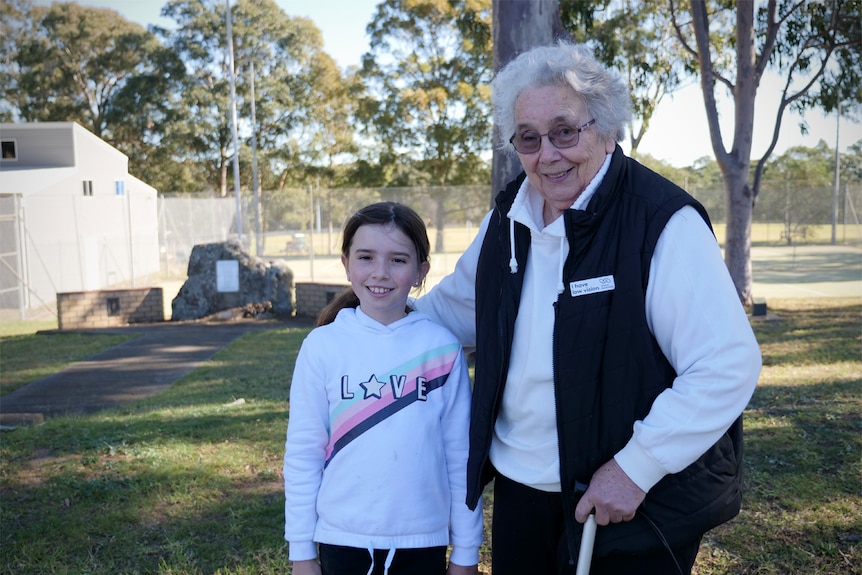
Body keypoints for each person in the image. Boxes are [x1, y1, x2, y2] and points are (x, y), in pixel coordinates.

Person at [413, 42, 762, 575]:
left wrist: (634, 469)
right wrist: (365, 321)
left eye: (564, 131)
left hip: (627, 504)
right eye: (528, 138)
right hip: (519, 492)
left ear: (606, 128)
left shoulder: (661, 222)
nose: (547, 154)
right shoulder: (507, 219)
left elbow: (727, 364)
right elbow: (450, 313)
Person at [283, 202, 483, 575]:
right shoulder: (322, 346)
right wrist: (301, 552)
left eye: (397, 260)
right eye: (366, 257)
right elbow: (303, 454)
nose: (380, 272)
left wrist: (466, 551)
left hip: (424, 542)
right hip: (341, 540)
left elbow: (461, 457)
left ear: (421, 271)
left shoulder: (441, 348)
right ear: (345, 263)